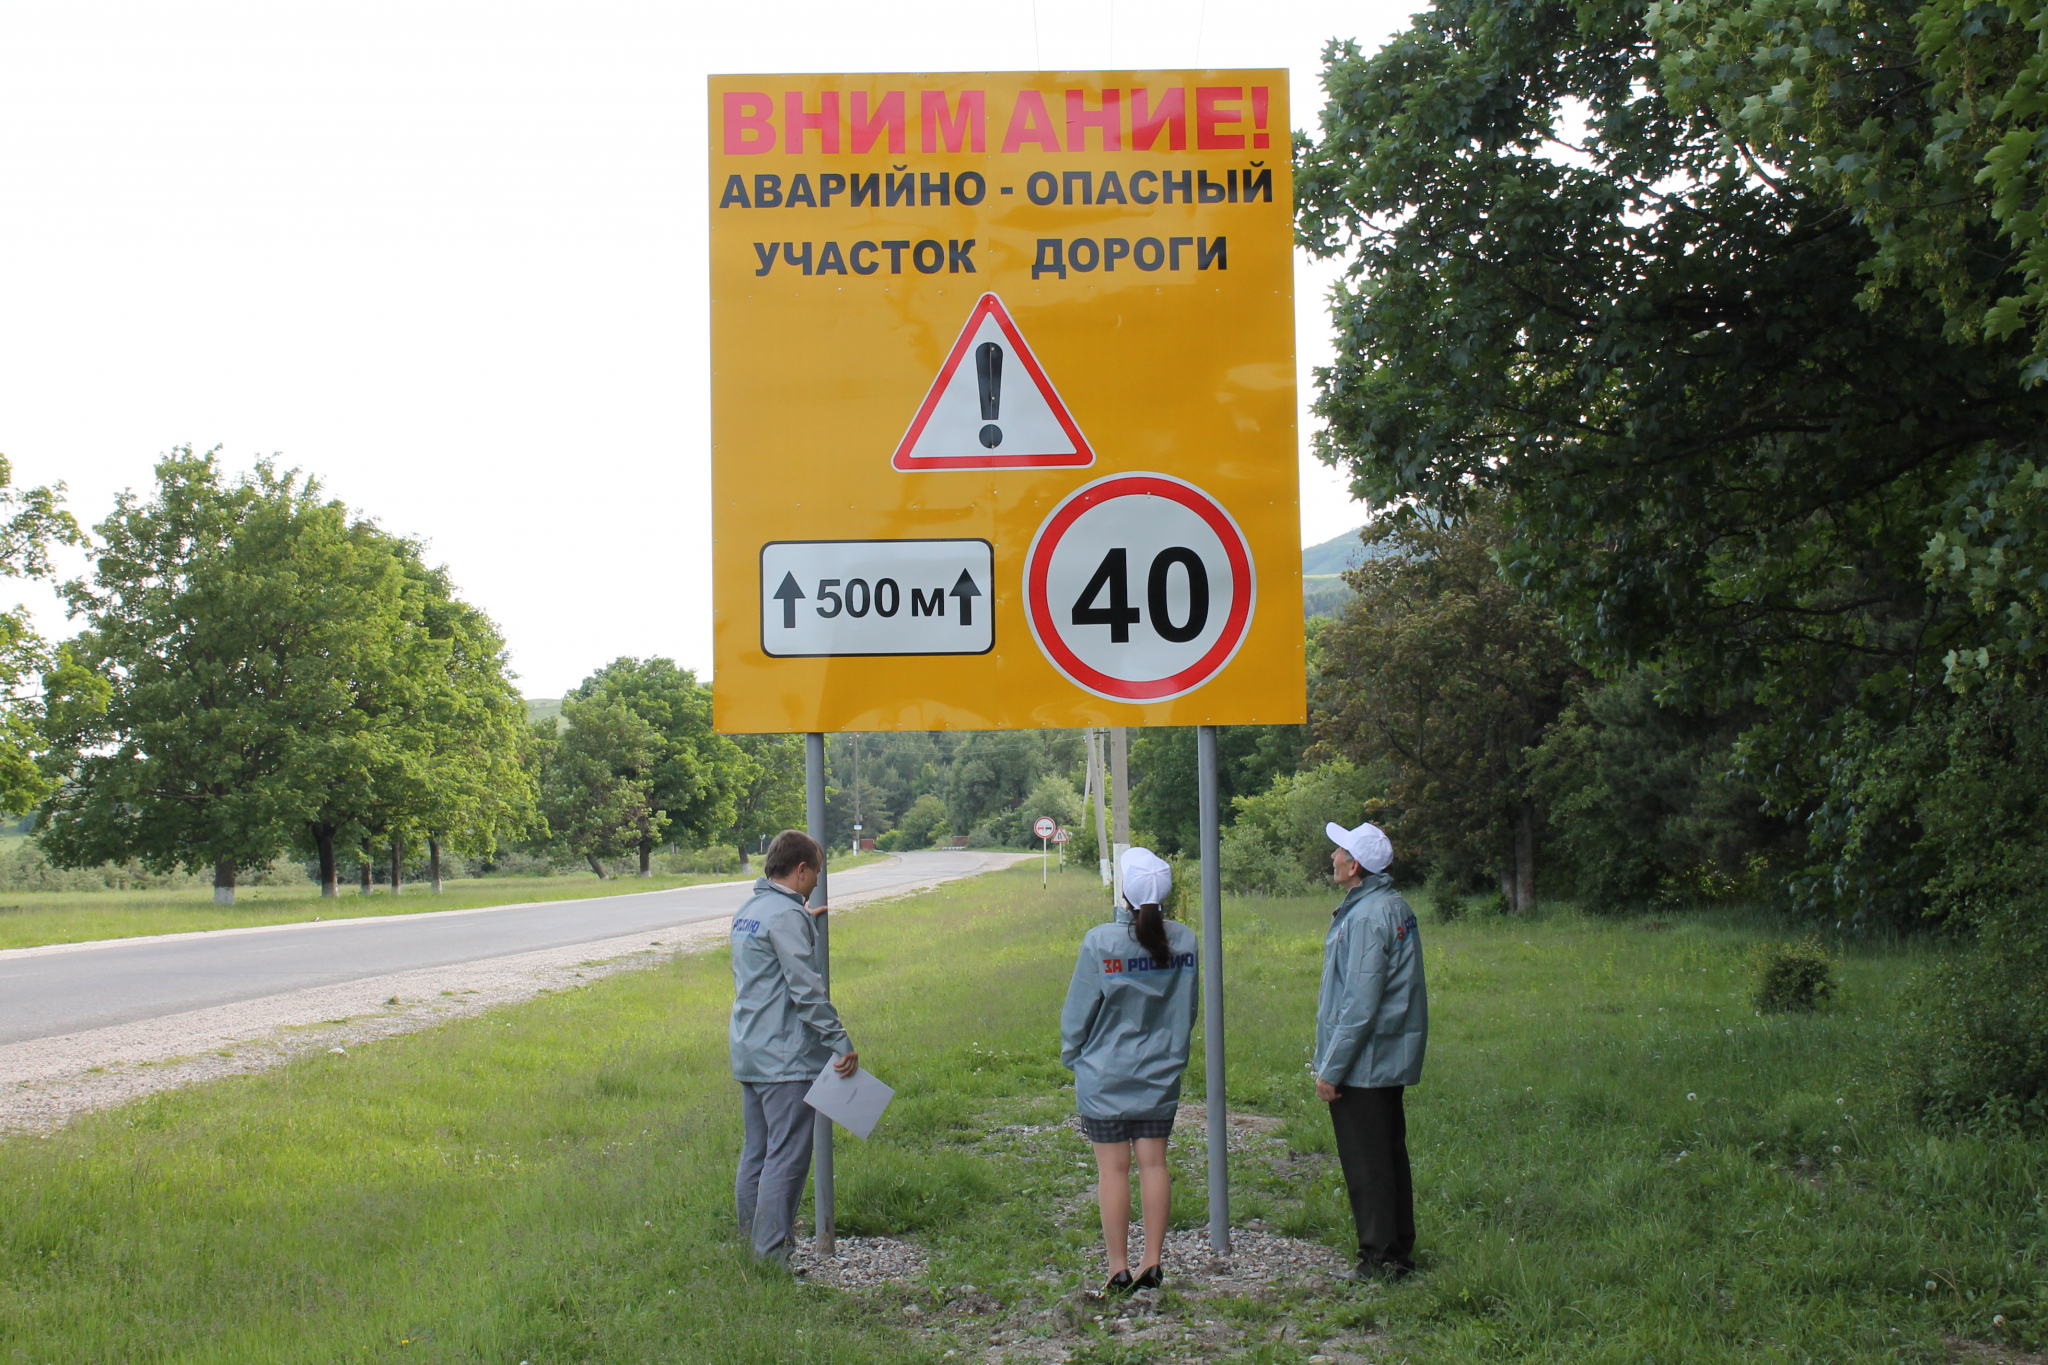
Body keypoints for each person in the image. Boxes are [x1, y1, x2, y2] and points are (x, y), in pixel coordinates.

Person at [1060, 846, 1199, 1295]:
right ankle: (1153, 1262)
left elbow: (1079, 1013)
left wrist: (1073, 1055)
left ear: (1123, 892)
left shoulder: (1100, 941)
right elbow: (1188, 1009)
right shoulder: (1186, 940)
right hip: (1161, 1073)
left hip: (1105, 1075)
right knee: (1154, 1163)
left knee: (1113, 1171)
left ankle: (1117, 1267)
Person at [729, 828, 858, 1269]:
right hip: (785, 1059)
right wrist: (840, 1041)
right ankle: (773, 1258)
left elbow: (771, 955)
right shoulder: (786, 918)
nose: (816, 882)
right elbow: (806, 991)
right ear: (801, 870)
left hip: (750, 1050)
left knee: (757, 1155)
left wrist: (802, 917)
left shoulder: (752, 909)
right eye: (816, 874)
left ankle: (753, 1246)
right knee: (786, 1160)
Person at [1314, 819, 1428, 1282]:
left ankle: (1379, 1260)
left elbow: (1359, 1004)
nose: (1333, 858)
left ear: (1355, 864)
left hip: (1364, 1062)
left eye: (1339, 851)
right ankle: (1397, 1251)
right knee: (1388, 1155)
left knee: (1368, 1163)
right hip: (1385, 1055)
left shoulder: (1365, 916)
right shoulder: (1390, 906)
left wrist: (1331, 1069)